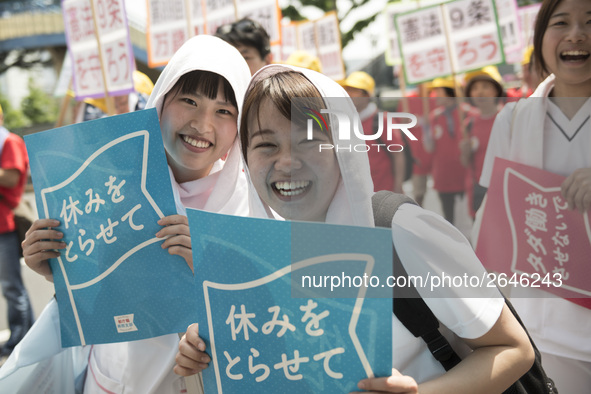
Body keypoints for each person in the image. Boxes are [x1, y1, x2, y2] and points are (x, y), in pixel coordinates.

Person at [175, 64, 535, 392]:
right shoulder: (258, 256)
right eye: (266, 145)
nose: (286, 162)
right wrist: (212, 347)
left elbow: (513, 348)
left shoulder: (401, 230)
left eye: (311, 141)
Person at [18, 35, 251, 393]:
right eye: (189, 100)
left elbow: (263, 318)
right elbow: (101, 296)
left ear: (239, 127)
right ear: (159, 103)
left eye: (224, 111)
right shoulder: (105, 187)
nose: (203, 124)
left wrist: (210, 268)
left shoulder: (249, 208)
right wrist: (59, 272)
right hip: (113, 378)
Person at [478, 0, 591, 391]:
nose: (576, 34)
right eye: (561, 23)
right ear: (541, 40)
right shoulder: (513, 119)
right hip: (542, 326)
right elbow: (493, 220)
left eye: (589, 23)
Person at [0, 103, 34, 360]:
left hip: (5, 224)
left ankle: (20, 339)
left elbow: (12, 178)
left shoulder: (9, 141)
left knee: (12, 287)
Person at [339, 71, 406, 193]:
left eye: (354, 90)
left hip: (385, 192)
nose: (349, 94)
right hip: (358, 194)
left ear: (367, 95)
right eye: (347, 90)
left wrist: (398, 185)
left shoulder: (382, 119)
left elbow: (398, 154)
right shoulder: (344, 122)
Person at [459, 66, 505, 218]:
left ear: (496, 90)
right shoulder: (468, 124)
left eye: (485, 87)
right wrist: (464, 152)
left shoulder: (509, 118)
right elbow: (465, 163)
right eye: (475, 88)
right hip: (478, 190)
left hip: (505, 188)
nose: (480, 92)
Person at [423, 77, 469, 225]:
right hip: (443, 176)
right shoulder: (434, 117)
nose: (434, 95)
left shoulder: (468, 114)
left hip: (465, 175)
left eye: (438, 91)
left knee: (467, 221)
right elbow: (429, 147)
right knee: (448, 220)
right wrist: (425, 130)